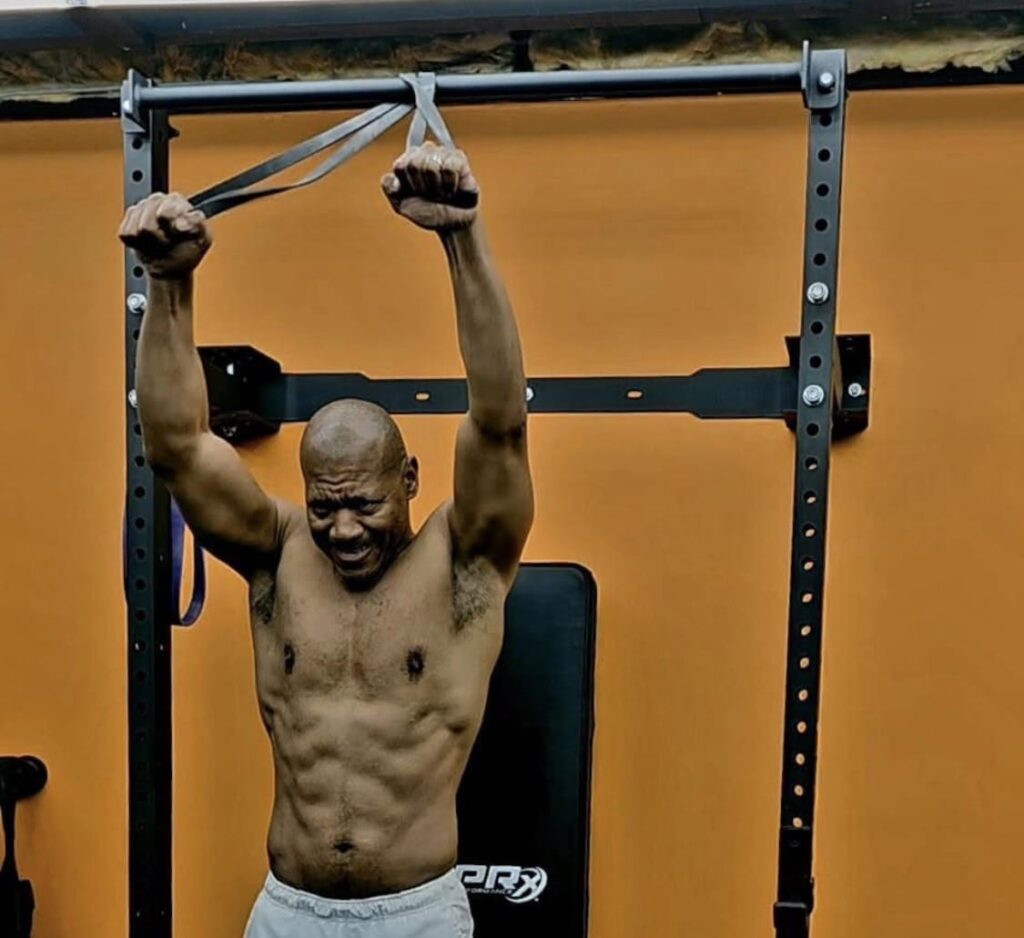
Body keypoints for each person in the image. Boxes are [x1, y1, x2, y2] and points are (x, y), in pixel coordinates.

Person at [118, 142, 534, 937]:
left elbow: (500, 420)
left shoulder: (465, 561)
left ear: (409, 479)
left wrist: (462, 239)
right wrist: (167, 283)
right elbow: (176, 448)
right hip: (289, 911)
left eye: (365, 505)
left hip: (416, 915)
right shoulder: (276, 553)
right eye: (324, 507)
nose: (343, 530)